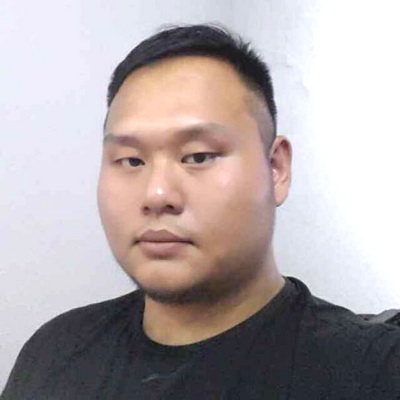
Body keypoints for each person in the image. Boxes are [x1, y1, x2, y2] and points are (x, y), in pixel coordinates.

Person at [2, 24, 399, 399]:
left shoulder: (371, 372)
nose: (157, 194)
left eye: (198, 156)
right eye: (132, 161)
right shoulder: (55, 353)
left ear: (276, 168)